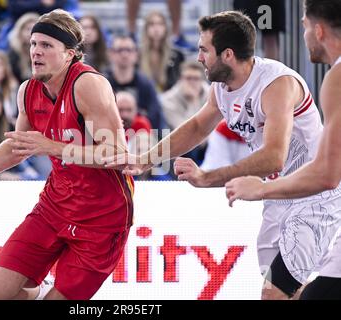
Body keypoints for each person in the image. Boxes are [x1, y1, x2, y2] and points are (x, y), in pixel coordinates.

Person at [104, 10, 341, 300]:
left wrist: (208, 177)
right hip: (277, 196)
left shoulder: (277, 85)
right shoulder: (221, 86)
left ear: (227, 55)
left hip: (313, 193)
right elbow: (198, 125)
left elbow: (274, 157)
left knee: (274, 293)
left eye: (204, 50)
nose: (199, 57)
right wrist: (147, 159)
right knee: (290, 291)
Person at [0, 9, 134, 300]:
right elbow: (19, 147)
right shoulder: (28, 90)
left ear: (70, 54)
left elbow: (117, 153)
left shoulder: (89, 84)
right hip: (56, 205)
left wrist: (51, 147)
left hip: (102, 216)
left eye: (46, 45)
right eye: (33, 44)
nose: (36, 52)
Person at [225, 0, 341, 299]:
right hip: (302, 202)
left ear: (318, 31)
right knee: (283, 292)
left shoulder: (335, 79)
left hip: (315, 201)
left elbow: (326, 175)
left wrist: (260, 189)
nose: (302, 36)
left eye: (302, 27)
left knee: (280, 293)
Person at [139, 10, 185, 92]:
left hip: (170, 99)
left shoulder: (177, 55)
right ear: (146, 29)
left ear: (165, 28)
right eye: (152, 24)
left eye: (160, 24)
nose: (156, 28)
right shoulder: (137, 54)